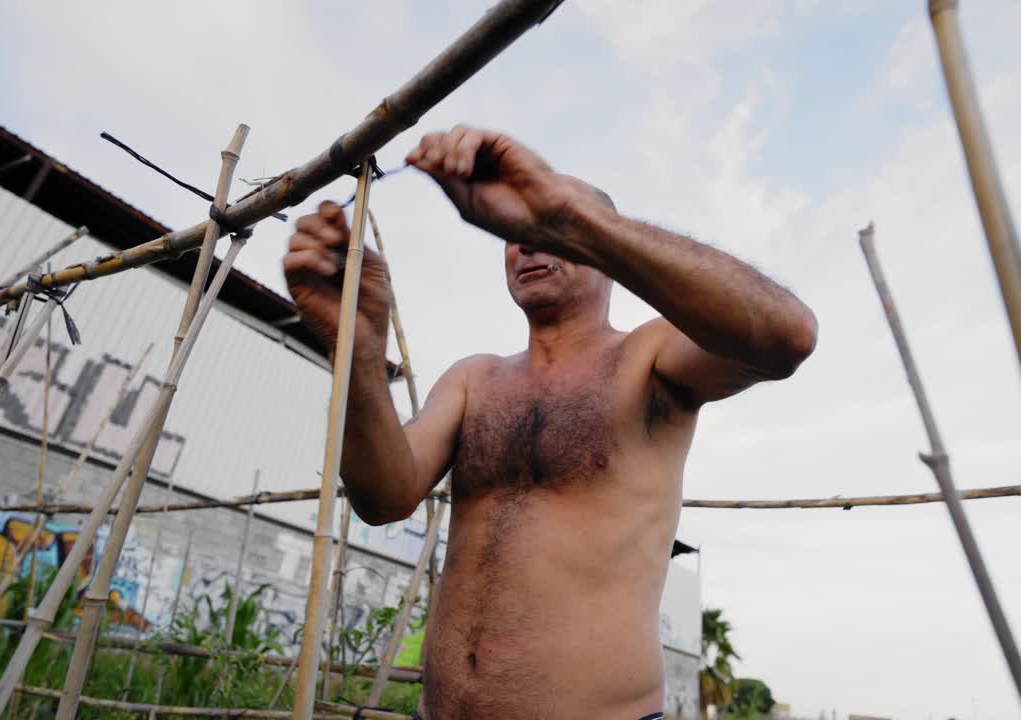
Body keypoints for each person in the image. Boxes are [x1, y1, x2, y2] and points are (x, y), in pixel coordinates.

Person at [283, 126, 817, 720]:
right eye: (516, 234)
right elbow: (383, 498)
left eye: (547, 231)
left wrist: (574, 219)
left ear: (605, 252)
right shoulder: (473, 379)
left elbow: (785, 336)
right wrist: (357, 353)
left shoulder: (649, 359)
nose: (529, 245)